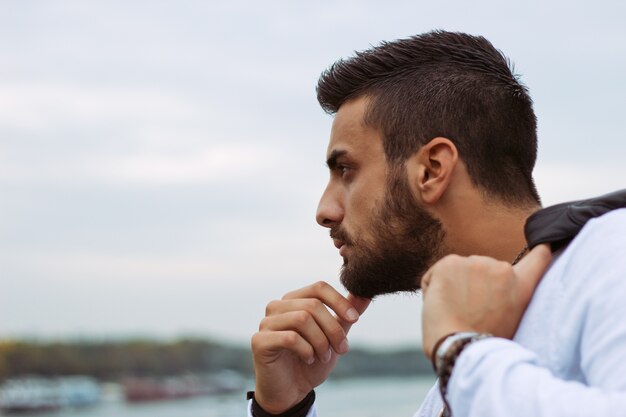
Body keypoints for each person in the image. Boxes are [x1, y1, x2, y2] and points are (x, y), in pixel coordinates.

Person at [247, 30, 626, 417]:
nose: (324, 210)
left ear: (432, 170)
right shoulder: (452, 387)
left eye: (346, 170)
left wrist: (460, 350)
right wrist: (283, 410)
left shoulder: (612, 254)